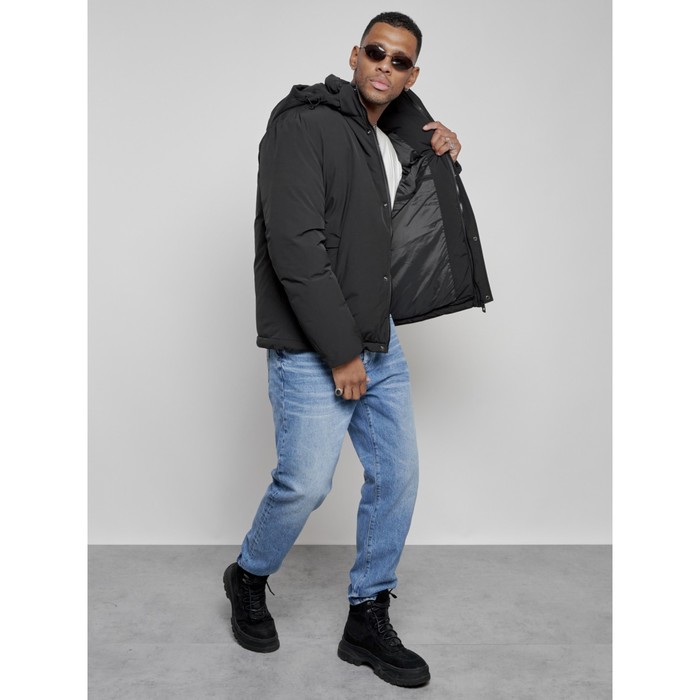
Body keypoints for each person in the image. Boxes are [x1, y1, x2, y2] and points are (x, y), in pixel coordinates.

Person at [223, 11, 492, 688]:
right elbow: (295, 249)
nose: (384, 66)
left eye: (400, 61)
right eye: (376, 52)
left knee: (396, 476)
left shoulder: (387, 136)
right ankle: (248, 575)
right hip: (315, 345)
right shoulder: (303, 125)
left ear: (412, 75)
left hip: (380, 340)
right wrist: (342, 353)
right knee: (306, 483)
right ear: (354, 54)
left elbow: (406, 203)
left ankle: (367, 615)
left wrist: (439, 146)